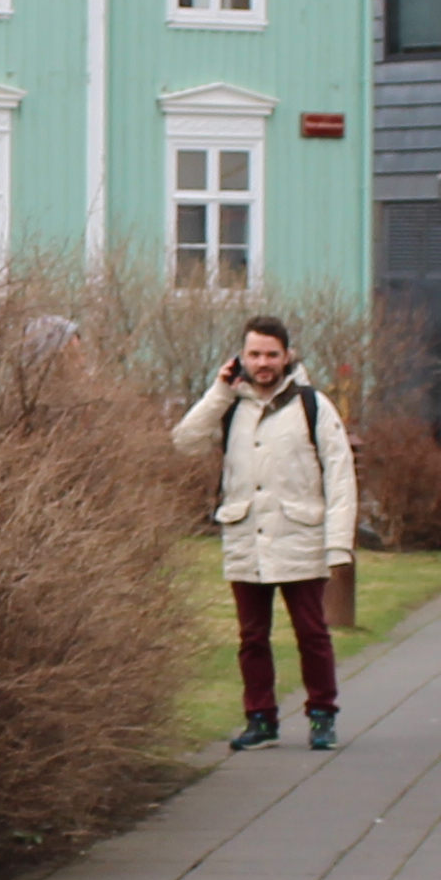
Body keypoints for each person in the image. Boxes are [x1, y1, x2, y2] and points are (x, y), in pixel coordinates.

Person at [173, 317, 360, 753]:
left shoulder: (313, 405)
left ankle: (322, 715)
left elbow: (340, 474)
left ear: (287, 356)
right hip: (246, 536)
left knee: (311, 633)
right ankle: (260, 719)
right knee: (252, 636)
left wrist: (338, 544)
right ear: (241, 356)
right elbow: (184, 441)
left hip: (300, 535)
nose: (263, 363)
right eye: (254, 354)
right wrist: (219, 390)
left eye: (271, 354)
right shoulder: (231, 405)